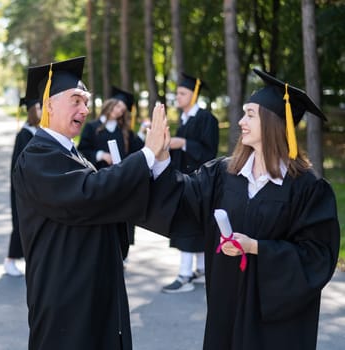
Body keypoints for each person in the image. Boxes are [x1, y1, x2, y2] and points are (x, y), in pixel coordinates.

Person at [142, 68, 340, 349]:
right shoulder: (223, 174)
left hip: (276, 322)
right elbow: (183, 199)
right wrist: (160, 157)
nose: (240, 121)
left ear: (273, 122)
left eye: (249, 114)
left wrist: (256, 247)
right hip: (227, 307)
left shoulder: (306, 188)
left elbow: (317, 256)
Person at [12, 56, 167, 350]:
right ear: (48, 105)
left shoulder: (69, 152)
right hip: (64, 292)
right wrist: (146, 155)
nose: (85, 109)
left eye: (86, 101)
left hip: (88, 284)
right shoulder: (38, 156)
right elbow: (87, 194)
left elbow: (105, 198)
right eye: (76, 100)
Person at [162, 73, 219, 293]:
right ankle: (202, 270)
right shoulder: (184, 119)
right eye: (177, 93)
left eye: (182, 93)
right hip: (184, 180)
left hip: (200, 181)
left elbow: (209, 152)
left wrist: (183, 143)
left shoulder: (207, 119)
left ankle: (185, 275)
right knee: (192, 225)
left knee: (189, 226)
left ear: (194, 95)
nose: (178, 97)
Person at [78, 86, 145, 259]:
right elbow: (82, 150)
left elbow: (137, 151)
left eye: (122, 110)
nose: (118, 112)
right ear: (109, 105)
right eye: (117, 107)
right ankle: (101, 252)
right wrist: (100, 155)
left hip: (121, 181)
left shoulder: (124, 131)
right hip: (99, 178)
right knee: (103, 215)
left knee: (122, 216)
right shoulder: (92, 127)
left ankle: (122, 253)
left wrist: (143, 132)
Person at [5, 96, 42, 277]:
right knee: (20, 223)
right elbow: (18, 165)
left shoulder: (38, 132)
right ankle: (10, 259)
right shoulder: (24, 134)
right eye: (38, 108)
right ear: (31, 112)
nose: (42, 111)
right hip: (23, 188)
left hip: (35, 189)